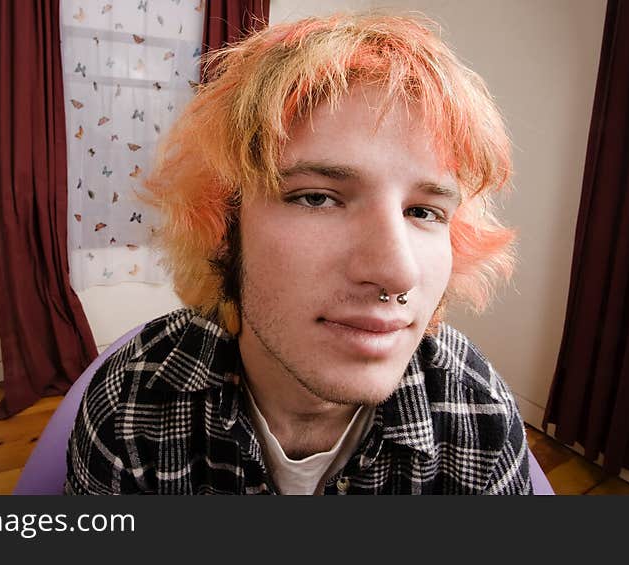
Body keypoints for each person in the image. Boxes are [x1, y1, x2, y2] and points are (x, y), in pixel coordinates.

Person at [65, 12, 532, 495]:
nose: (397, 272)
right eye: (316, 197)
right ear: (224, 226)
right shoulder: (130, 407)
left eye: (425, 211)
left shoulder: (481, 420)